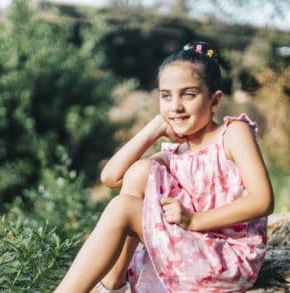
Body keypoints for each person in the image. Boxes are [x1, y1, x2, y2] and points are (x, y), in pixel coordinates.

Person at [55, 41, 274, 293]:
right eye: (166, 96)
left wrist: (194, 220)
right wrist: (154, 128)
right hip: (192, 251)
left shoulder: (233, 133)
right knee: (139, 172)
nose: (176, 106)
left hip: (227, 261)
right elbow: (111, 177)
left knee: (122, 208)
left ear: (214, 101)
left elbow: (263, 200)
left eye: (188, 94)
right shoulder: (174, 155)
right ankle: (114, 285)